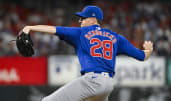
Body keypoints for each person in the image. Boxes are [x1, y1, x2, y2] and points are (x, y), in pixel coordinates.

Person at [22, 5, 153, 101]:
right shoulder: (116, 37)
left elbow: (54, 29)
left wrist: (30, 27)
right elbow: (142, 57)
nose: (80, 21)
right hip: (108, 84)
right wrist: (149, 50)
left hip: (93, 80)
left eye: (83, 18)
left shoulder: (80, 33)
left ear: (93, 19)